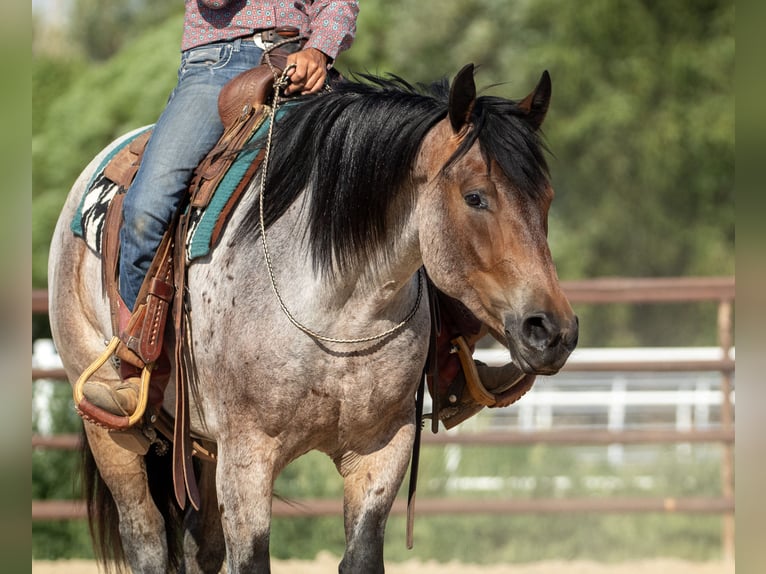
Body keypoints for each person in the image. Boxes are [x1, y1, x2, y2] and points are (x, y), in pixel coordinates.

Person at [83, 0, 360, 417]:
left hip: (301, 57)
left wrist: (319, 50)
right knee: (146, 207)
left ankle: (452, 358)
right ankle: (141, 371)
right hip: (218, 62)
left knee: (397, 169)